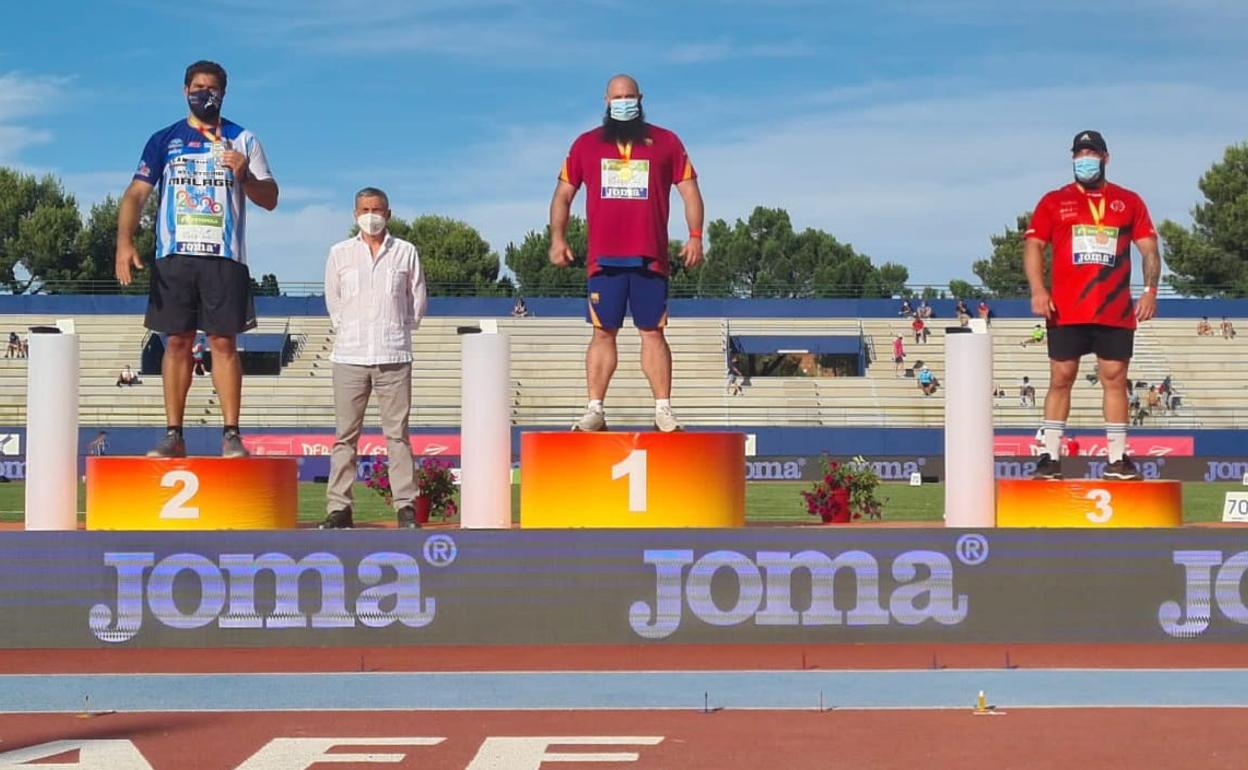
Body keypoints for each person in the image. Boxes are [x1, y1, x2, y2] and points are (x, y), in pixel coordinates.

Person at [115, 60, 278, 459]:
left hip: (224, 256)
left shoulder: (244, 140)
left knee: (223, 342)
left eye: (212, 88)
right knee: (176, 343)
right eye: (197, 87)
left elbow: (270, 198)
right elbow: (136, 193)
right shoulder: (164, 139)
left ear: (224, 93)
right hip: (174, 256)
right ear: (185, 89)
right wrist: (124, 241)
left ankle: (232, 433)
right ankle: (174, 434)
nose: (204, 94)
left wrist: (245, 176)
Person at [548, 74, 703, 432]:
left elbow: (690, 191)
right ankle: (595, 409)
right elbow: (563, 195)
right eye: (618, 97)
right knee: (603, 332)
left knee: (653, 332)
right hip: (604, 258)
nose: (624, 102)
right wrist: (558, 238)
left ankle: (663, 409)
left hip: (650, 256)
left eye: (629, 96)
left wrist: (695, 236)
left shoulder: (666, 141)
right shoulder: (586, 144)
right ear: (606, 101)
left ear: (641, 98)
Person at [1023, 130, 1161, 481]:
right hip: (1066, 308)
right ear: (1072, 158)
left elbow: (1149, 249)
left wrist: (1149, 290)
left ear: (1105, 158)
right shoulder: (1054, 201)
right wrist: (1039, 289)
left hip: (1114, 310)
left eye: (1091, 153)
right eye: (1079, 153)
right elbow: (1034, 245)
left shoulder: (1128, 201)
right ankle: (1049, 456)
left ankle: (1117, 459)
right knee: (1061, 378)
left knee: (1115, 380)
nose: (1085, 159)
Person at [320, 187, 428, 530]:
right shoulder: (339, 253)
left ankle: (406, 507)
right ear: (355, 215)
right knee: (344, 436)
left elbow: (417, 301)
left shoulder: (406, 252)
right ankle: (339, 509)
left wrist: (397, 329)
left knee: (397, 435)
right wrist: (350, 330)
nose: (371, 215)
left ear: (388, 214)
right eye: (365, 209)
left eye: (377, 209)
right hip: (349, 355)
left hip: (394, 354)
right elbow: (333, 301)